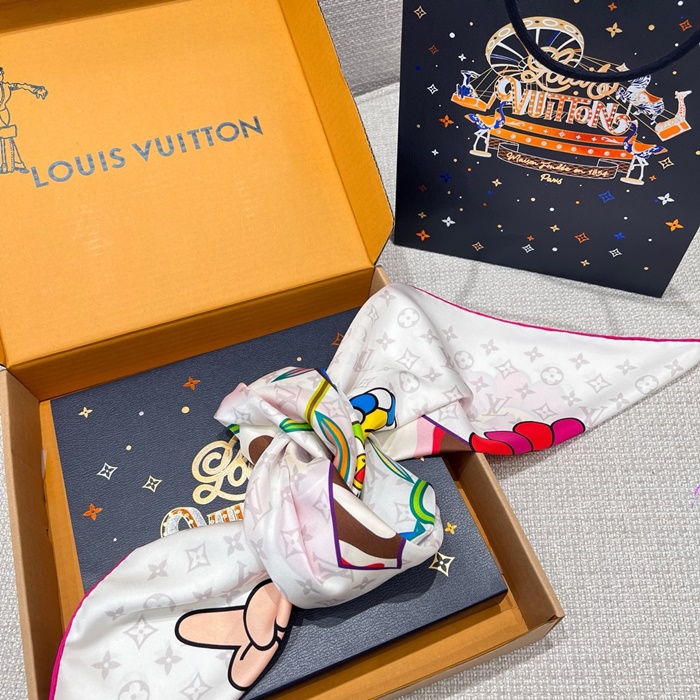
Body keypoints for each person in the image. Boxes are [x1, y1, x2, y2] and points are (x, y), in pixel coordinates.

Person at [0, 66, 47, 174]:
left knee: (7, 138)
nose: (1, 77)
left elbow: (22, 86)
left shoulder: (6, 86)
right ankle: (8, 165)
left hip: (3, 114)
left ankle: (12, 165)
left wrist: (36, 89)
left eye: (1, 74)